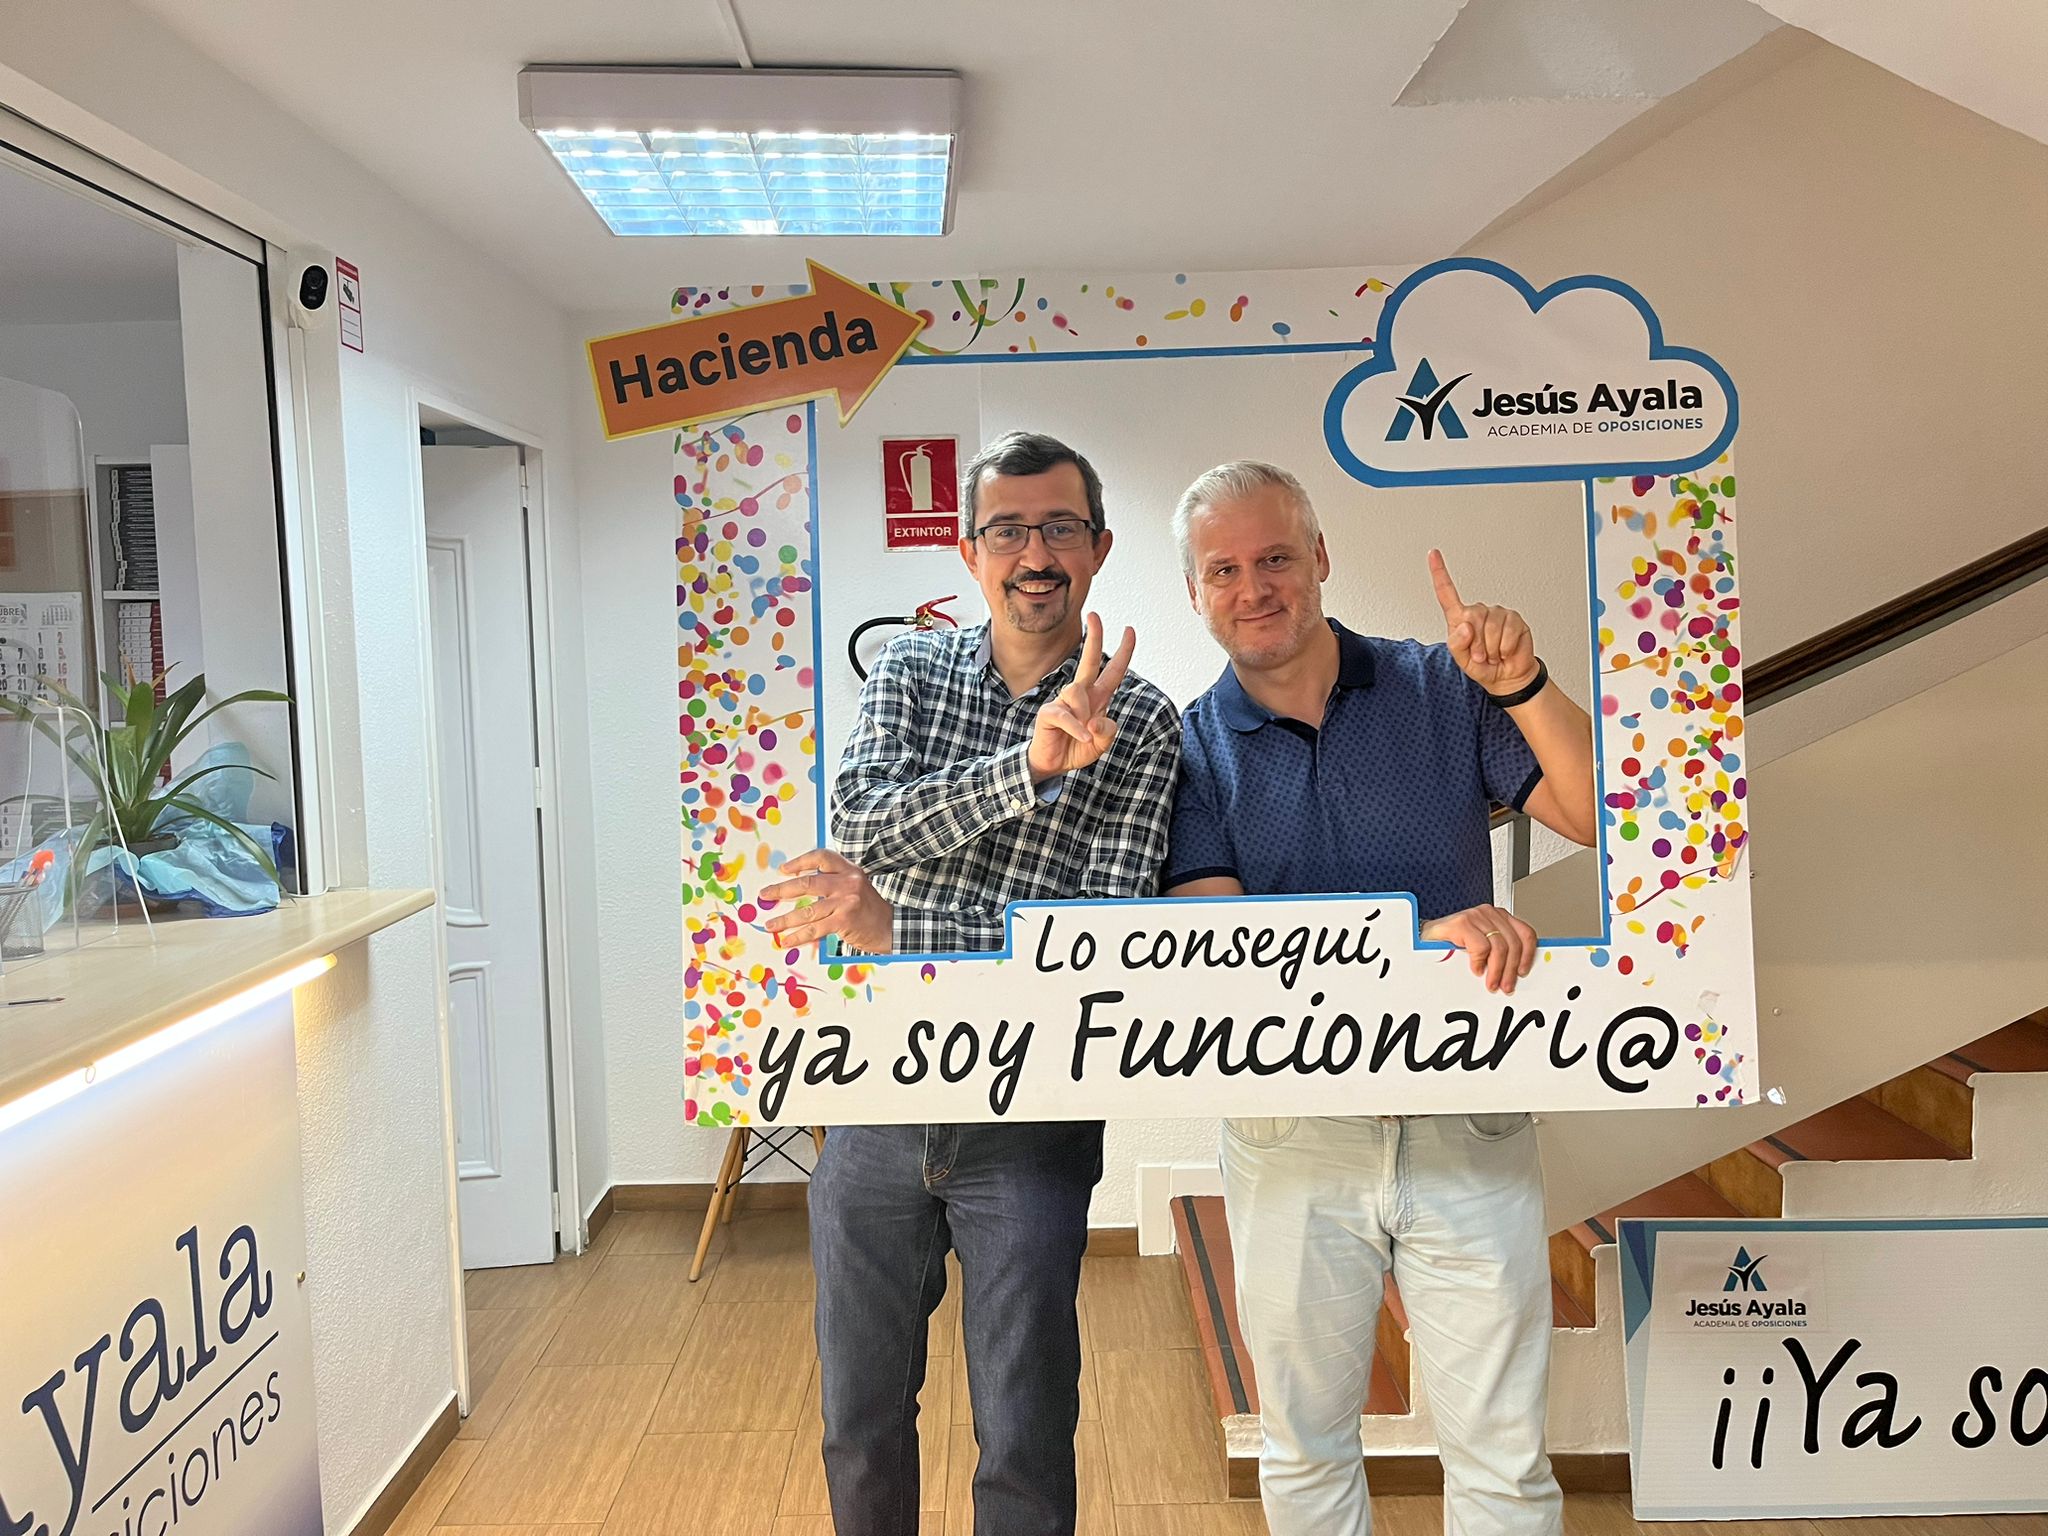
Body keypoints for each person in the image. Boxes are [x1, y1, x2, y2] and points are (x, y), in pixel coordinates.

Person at [1161, 460, 1598, 1536]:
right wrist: (1413, 944)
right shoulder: (1190, 748)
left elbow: (1605, 815)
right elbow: (1222, 949)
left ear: (1319, 557)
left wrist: (1523, 685)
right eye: (1224, 570)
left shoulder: (1441, 685)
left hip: (1467, 1120)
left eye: (1275, 557)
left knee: (1504, 1461)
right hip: (1292, 1134)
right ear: (1194, 592)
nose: (1254, 587)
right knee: (1304, 1447)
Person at [760, 431, 1180, 1536]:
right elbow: (860, 825)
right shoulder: (909, 671)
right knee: (859, 1417)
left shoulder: (1143, 721)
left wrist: (896, 925)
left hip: (1031, 1119)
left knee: (1025, 1428)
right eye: (1007, 531)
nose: (1034, 555)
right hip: (876, 1100)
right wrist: (1028, 768)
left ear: (1098, 547)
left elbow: (1098, 934)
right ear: (968, 550)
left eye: (1059, 529)